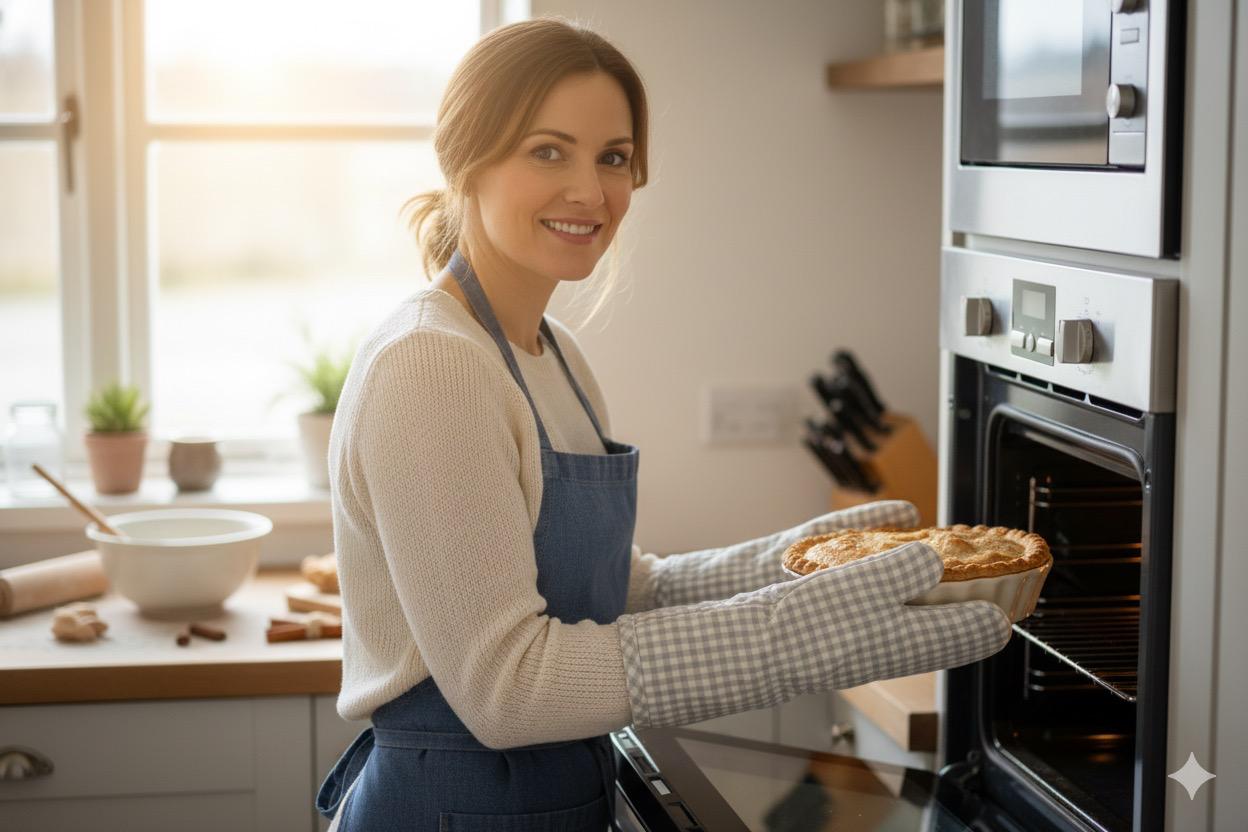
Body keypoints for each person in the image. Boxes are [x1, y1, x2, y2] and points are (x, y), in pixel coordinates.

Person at [315, 16, 1012, 831]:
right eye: (549, 150)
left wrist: (794, 566)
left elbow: (622, 590)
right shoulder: (430, 365)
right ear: (464, 157)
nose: (590, 190)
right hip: (450, 807)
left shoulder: (553, 354)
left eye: (613, 157)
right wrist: (789, 635)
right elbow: (506, 689)